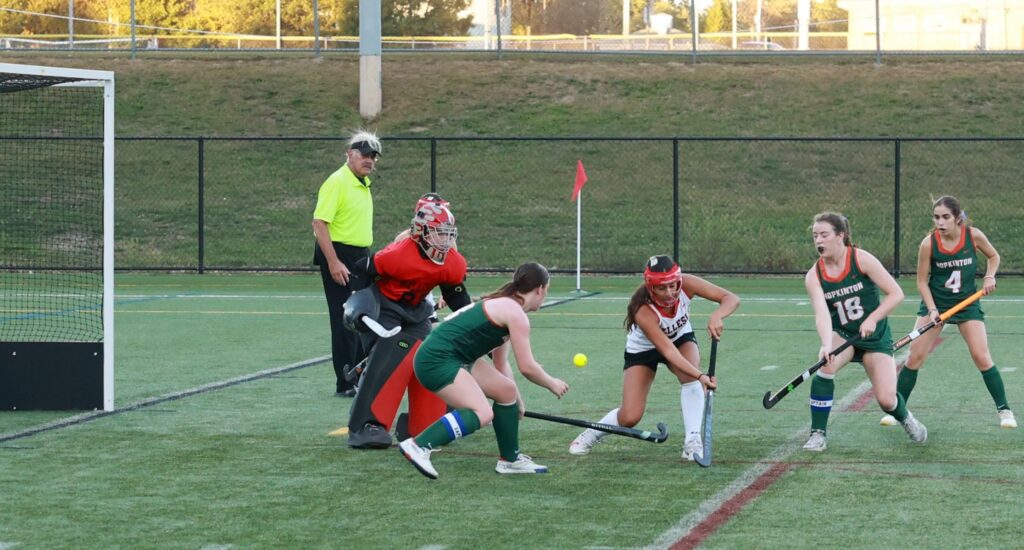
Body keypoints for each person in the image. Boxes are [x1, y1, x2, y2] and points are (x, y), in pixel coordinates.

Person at [397, 262, 570, 479]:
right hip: (437, 359)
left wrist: (516, 398)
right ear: (541, 289)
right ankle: (418, 445)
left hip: (454, 357)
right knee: (482, 413)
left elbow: (501, 363)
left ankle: (510, 460)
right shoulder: (515, 314)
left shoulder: (508, 307)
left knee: (506, 391)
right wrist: (551, 382)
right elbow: (527, 367)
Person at [567, 255, 738, 462]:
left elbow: (731, 298)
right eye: (662, 288)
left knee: (690, 378)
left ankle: (692, 442)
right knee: (630, 417)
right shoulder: (643, 310)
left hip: (680, 338)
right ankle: (591, 433)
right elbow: (668, 353)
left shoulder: (687, 283)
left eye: (673, 286)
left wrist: (717, 315)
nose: (670, 293)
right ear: (650, 287)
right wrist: (701, 376)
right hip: (644, 350)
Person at [345, 198, 472, 448]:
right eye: (438, 234)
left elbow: (455, 295)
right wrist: (358, 303)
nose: (444, 241)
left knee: (432, 355)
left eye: (448, 234)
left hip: (417, 312)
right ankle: (368, 424)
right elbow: (362, 270)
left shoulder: (453, 262)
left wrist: (472, 325)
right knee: (395, 352)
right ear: (421, 232)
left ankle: (425, 424)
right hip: (386, 309)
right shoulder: (398, 255)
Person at [879, 196, 1016, 429]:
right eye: (936, 217)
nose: (940, 222)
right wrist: (932, 310)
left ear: (957, 218)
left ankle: (1005, 410)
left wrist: (989, 275)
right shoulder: (928, 244)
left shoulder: (973, 236)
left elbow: (993, 256)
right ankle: (896, 410)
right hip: (937, 304)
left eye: (945, 217)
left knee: (982, 357)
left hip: (967, 304)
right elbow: (922, 282)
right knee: (914, 357)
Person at [801, 212, 927, 452]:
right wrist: (827, 344)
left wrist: (872, 319)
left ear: (841, 236)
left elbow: (896, 293)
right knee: (825, 364)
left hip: (875, 336)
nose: (819, 240)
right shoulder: (814, 275)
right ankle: (818, 434)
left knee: (886, 400)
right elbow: (822, 315)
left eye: (824, 235)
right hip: (844, 334)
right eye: (815, 235)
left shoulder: (861, 260)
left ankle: (906, 418)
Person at [312, 130, 381, 397]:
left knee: (364, 316)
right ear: (350, 154)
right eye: (364, 154)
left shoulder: (361, 183)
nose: (370, 160)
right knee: (345, 319)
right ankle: (346, 381)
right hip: (340, 255)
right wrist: (333, 261)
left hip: (360, 255)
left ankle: (359, 374)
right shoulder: (337, 181)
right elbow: (319, 222)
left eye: (373, 156)